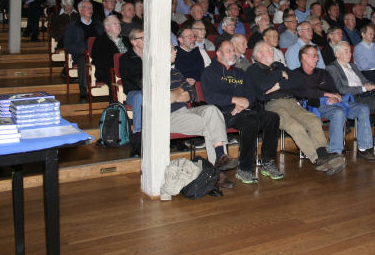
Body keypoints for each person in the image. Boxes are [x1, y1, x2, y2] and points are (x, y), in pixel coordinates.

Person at [120, 30, 238, 182]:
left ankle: (220, 158)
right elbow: (167, 99)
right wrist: (179, 90)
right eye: (171, 49)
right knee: (212, 125)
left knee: (212, 111)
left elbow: (189, 95)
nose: (175, 51)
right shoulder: (151, 75)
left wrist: (176, 93)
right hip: (167, 117)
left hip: (185, 112)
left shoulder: (176, 73)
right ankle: (217, 172)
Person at [244, 41, 346, 175]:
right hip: (272, 105)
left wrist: (279, 85)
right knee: (295, 126)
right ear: (258, 54)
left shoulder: (278, 65)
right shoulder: (254, 69)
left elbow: (298, 82)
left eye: (272, 49)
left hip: (291, 101)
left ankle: (323, 154)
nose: (272, 51)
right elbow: (263, 86)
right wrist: (280, 75)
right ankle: (318, 159)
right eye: (268, 50)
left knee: (313, 119)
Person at [202, 41, 283, 184]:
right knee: (250, 122)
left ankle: (268, 162)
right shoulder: (210, 72)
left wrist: (244, 102)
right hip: (225, 114)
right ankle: (245, 169)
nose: (233, 53)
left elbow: (251, 94)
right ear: (218, 54)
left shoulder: (240, 72)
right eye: (228, 50)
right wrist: (234, 100)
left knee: (272, 117)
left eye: (233, 50)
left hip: (245, 109)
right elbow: (210, 97)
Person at [288, 45, 375, 162]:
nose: (317, 58)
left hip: (336, 102)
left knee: (363, 108)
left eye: (317, 56)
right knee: (338, 112)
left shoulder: (323, 73)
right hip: (315, 105)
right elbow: (303, 92)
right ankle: (335, 152)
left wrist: (335, 97)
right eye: (314, 56)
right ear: (304, 57)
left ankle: (364, 149)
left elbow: (334, 89)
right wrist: (326, 95)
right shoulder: (295, 74)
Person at [64, 0, 104, 102]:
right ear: (80, 10)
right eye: (88, 8)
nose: (91, 10)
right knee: (83, 61)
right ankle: (83, 92)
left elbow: (104, 39)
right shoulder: (73, 26)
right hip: (81, 53)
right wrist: (83, 50)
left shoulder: (98, 24)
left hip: (98, 52)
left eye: (91, 8)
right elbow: (68, 45)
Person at [90, 15, 130, 88]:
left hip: (129, 69)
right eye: (115, 24)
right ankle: (115, 99)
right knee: (112, 77)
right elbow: (100, 61)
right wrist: (119, 68)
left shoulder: (127, 40)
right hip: (109, 71)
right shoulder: (100, 41)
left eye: (119, 23)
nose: (118, 25)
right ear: (107, 27)